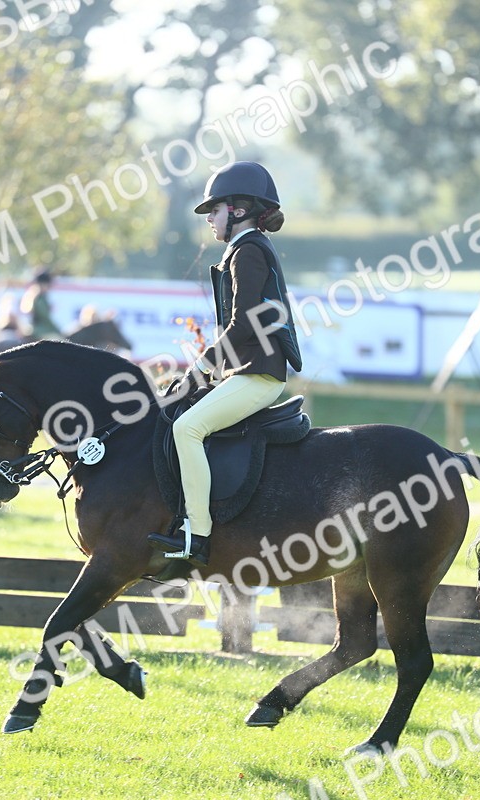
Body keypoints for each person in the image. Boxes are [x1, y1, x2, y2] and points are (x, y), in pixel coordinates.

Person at [148, 161, 302, 567]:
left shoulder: (247, 251)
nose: (210, 220)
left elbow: (242, 321)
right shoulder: (245, 248)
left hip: (258, 372)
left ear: (238, 210)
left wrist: (199, 369)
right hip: (248, 369)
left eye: (214, 211)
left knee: (187, 427)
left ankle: (196, 534)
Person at [19, 269, 62, 339]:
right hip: (39, 330)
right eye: (48, 285)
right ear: (43, 284)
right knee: (60, 341)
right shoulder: (39, 298)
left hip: (30, 328)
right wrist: (57, 330)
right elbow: (44, 317)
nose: (49, 288)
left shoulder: (31, 294)